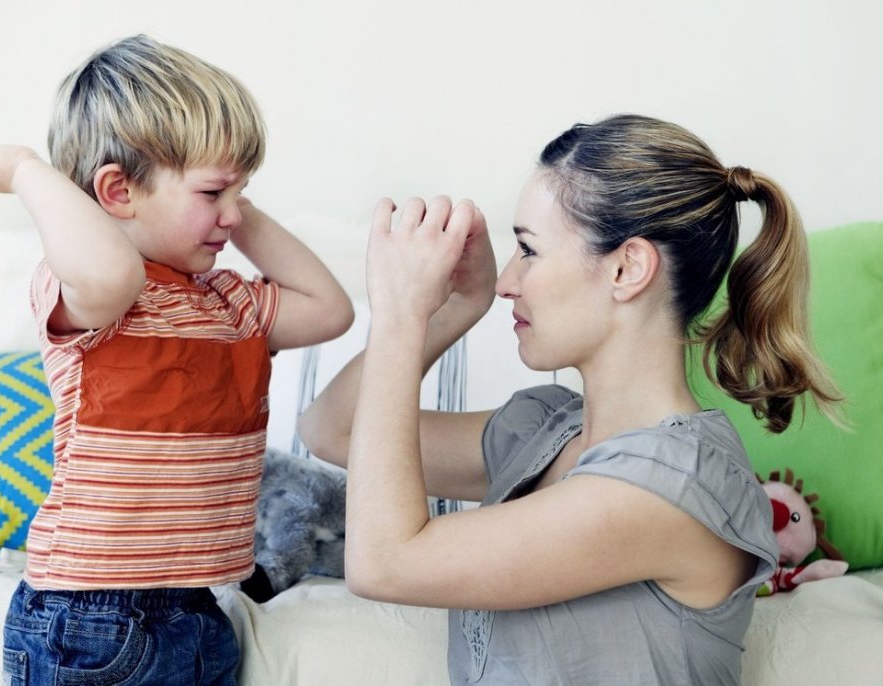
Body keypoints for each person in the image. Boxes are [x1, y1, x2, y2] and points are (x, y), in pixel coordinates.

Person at [298, 113, 840, 685]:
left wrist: (400, 315)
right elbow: (331, 430)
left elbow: (384, 563)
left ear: (627, 268)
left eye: (528, 250)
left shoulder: (674, 486)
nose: (507, 281)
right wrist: (455, 308)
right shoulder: (547, 429)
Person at [0, 34, 353, 686]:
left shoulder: (230, 304)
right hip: (90, 618)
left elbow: (331, 310)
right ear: (117, 190)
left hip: (199, 608)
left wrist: (234, 204)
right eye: (213, 193)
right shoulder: (92, 295)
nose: (232, 216)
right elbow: (114, 272)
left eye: (242, 192)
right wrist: (27, 171)